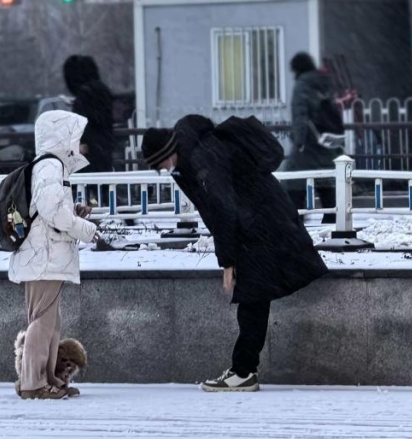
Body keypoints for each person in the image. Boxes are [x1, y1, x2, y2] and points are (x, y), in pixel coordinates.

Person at [140, 115, 328, 392]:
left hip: (259, 225)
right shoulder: (197, 152)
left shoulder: (202, 159)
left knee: (252, 295)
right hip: (261, 220)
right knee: (254, 295)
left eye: (160, 165)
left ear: (169, 153)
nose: (163, 172)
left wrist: (227, 262)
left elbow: (221, 210)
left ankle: (243, 372)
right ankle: (243, 369)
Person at [8, 110, 100, 399]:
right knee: (43, 321)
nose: (81, 143)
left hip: (46, 253)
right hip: (43, 256)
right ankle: (32, 383)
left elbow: (51, 211)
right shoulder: (49, 166)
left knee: (50, 321)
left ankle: (46, 378)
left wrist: (74, 214)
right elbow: (51, 211)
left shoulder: (52, 166)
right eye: (76, 136)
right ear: (63, 136)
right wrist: (83, 227)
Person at [283, 52, 338, 224]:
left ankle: (295, 218)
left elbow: (300, 115)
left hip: (308, 142)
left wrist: (298, 141)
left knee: (294, 179)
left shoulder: (302, 85)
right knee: (324, 177)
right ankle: (332, 216)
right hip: (326, 140)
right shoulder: (324, 82)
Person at [62, 55, 115, 173]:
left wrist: (82, 144)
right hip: (104, 149)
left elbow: (83, 125)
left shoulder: (83, 97)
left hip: (88, 153)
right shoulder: (102, 92)